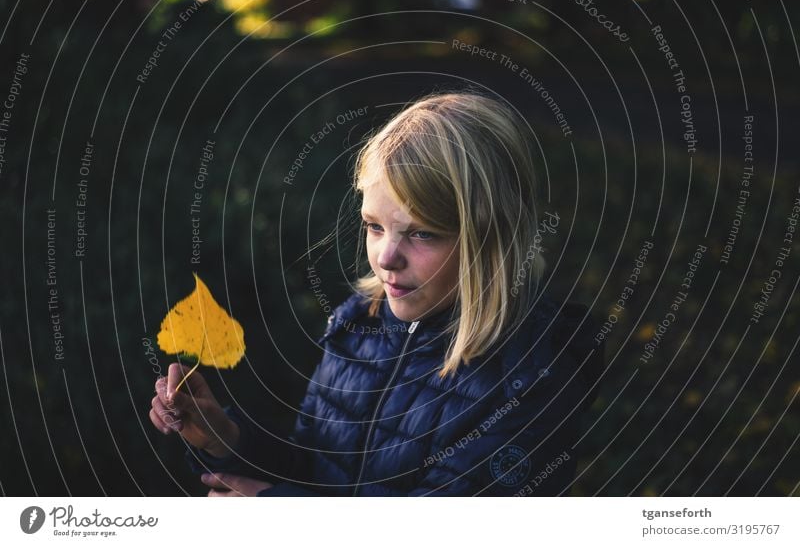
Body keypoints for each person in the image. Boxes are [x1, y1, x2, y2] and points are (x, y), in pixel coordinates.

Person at [149, 91, 604, 496]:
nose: (386, 257)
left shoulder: (531, 373)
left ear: (492, 238)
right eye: (374, 227)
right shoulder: (359, 325)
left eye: (423, 234)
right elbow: (318, 470)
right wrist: (225, 439)